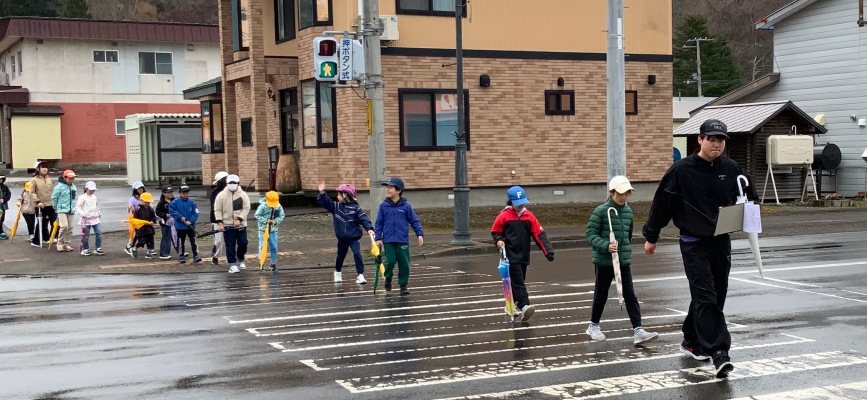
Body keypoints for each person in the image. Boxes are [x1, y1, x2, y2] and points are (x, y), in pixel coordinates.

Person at [642, 119, 757, 379]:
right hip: (693, 242)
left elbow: (749, 197)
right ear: (700, 140)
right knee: (706, 295)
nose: (716, 144)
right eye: (711, 139)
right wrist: (651, 235)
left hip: (721, 241)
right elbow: (662, 204)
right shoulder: (681, 170)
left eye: (721, 140)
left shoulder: (732, 168)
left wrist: (749, 215)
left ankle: (692, 340)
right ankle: (719, 353)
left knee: (715, 295)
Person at [585, 176, 658, 345]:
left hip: (623, 261)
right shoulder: (601, 211)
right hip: (604, 262)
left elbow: (628, 236)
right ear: (612, 192)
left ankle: (638, 330)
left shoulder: (628, 212)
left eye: (627, 193)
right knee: (601, 295)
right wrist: (605, 245)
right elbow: (590, 235)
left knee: (630, 295)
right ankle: (593, 326)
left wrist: (624, 253)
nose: (624, 197)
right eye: (620, 193)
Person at [491, 186, 555, 321]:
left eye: (523, 202)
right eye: (518, 203)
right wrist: (499, 240)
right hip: (509, 255)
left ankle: (509, 306)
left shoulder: (529, 216)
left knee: (518, 281)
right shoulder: (504, 216)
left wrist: (548, 251)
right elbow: (496, 231)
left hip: (524, 254)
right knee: (519, 281)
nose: (521, 206)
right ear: (511, 202)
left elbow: (539, 234)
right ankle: (524, 305)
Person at [374, 177, 423, 295]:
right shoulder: (384, 206)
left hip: (402, 240)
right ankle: (388, 277)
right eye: (387, 187)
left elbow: (414, 221)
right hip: (388, 240)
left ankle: (403, 285)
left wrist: (419, 234)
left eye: (390, 187)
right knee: (390, 261)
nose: (388, 190)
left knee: (404, 263)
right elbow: (379, 223)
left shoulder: (406, 206)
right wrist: (378, 238)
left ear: (398, 190)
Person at [317, 181, 375, 283]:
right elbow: (326, 202)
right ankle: (338, 272)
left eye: (339, 194)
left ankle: (360, 275)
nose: (337, 196)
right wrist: (322, 193)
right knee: (340, 256)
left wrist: (369, 228)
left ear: (345, 195)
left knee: (357, 254)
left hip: (353, 237)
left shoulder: (356, 209)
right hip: (342, 238)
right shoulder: (336, 207)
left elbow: (364, 219)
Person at [214, 175, 250, 273]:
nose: (232, 185)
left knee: (243, 243)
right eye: (230, 183)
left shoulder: (243, 195)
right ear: (227, 183)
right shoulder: (221, 195)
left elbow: (246, 208)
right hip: (227, 225)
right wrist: (220, 223)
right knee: (230, 245)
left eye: (234, 183)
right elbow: (217, 210)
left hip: (241, 225)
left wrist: (239, 219)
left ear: (238, 183)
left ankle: (240, 259)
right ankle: (232, 264)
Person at [169, 184, 202, 264]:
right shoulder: (175, 202)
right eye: (183, 192)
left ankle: (195, 255)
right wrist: (180, 217)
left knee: (193, 241)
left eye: (187, 192)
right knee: (181, 242)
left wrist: (191, 221)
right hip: (180, 226)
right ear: (180, 193)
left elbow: (195, 213)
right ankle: (181, 255)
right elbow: (172, 211)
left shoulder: (192, 203)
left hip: (190, 226)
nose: (185, 194)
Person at [255, 191, 285, 272]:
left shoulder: (278, 206)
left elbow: (281, 215)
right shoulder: (262, 206)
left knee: (274, 246)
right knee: (262, 246)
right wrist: (265, 220)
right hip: (263, 230)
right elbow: (257, 215)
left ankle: (273, 263)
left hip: (273, 230)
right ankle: (261, 262)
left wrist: (276, 220)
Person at [29, 161, 56, 247]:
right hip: (40, 205)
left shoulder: (49, 179)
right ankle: (36, 241)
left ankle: (51, 237)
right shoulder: (34, 180)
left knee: (55, 221)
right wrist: (38, 201)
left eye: (46, 167)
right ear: (38, 169)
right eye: (42, 167)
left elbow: (52, 191)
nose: (45, 169)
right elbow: (32, 193)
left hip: (50, 204)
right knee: (42, 223)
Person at [50, 170, 77, 252]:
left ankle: (67, 244)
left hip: (71, 210)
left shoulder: (73, 187)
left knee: (70, 227)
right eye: (70, 178)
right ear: (65, 178)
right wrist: (56, 208)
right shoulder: (59, 187)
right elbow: (54, 198)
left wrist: (73, 207)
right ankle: (59, 243)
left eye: (73, 178)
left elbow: (73, 199)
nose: (72, 180)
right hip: (61, 209)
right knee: (64, 226)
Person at [75, 181, 103, 256]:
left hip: (95, 217)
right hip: (86, 218)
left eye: (93, 190)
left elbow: (96, 206)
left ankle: (98, 248)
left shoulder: (94, 197)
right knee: (86, 235)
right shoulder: (82, 197)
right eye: (91, 190)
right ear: (86, 188)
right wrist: (82, 213)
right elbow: (78, 207)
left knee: (99, 232)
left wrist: (98, 212)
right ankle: (85, 249)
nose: (92, 191)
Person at [209, 171, 229, 265]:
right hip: (217, 219)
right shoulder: (215, 192)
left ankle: (231, 258)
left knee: (230, 240)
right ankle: (215, 256)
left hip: (229, 219)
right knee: (218, 240)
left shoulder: (231, 191)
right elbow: (215, 207)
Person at [131, 192, 157, 259]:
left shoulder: (150, 209)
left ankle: (149, 252)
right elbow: (135, 219)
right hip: (141, 229)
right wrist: (141, 224)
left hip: (149, 228)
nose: (147, 203)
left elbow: (153, 217)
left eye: (148, 202)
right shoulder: (138, 209)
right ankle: (135, 248)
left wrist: (153, 221)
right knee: (141, 241)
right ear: (141, 200)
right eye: (146, 202)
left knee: (150, 241)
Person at [125, 181, 147, 255]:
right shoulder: (133, 199)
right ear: (135, 190)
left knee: (145, 233)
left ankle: (150, 248)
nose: (141, 190)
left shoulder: (146, 196)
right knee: (134, 233)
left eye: (142, 188)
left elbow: (150, 206)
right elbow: (130, 209)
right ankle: (129, 246)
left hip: (145, 218)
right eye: (139, 188)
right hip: (136, 219)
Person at [155, 186, 175, 260]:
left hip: (174, 222)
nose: (170, 194)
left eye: (171, 192)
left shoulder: (175, 201)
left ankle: (180, 251)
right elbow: (157, 212)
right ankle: (163, 252)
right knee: (166, 237)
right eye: (168, 192)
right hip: (165, 223)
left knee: (176, 237)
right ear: (164, 193)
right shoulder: (161, 203)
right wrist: (165, 215)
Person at [0, 174, 9, 240]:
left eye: (2, 179)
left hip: (2, 206)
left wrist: (4, 199)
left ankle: (1, 231)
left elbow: (9, 194)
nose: (0, 180)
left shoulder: (5, 187)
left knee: (2, 219)